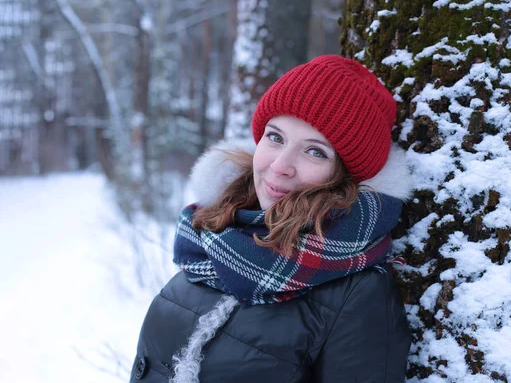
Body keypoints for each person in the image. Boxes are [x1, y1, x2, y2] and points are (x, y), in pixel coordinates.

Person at [130, 55, 412, 383]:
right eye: (275, 137)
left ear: (344, 177)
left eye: (315, 151)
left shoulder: (356, 293)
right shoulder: (212, 232)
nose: (280, 165)